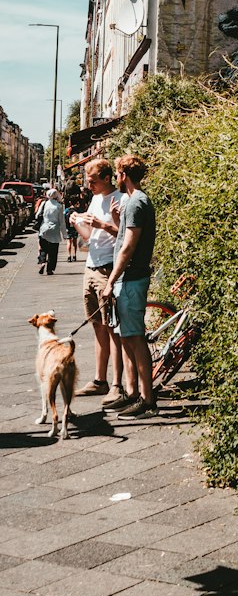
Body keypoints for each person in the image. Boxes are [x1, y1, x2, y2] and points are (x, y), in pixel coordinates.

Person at [100, 154, 158, 418]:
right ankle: (132, 393)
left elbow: (129, 246)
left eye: (117, 174)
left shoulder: (137, 202)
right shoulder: (132, 203)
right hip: (128, 278)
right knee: (126, 337)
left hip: (132, 279)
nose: (116, 179)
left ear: (123, 175)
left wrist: (111, 280)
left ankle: (147, 399)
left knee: (136, 338)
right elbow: (124, 236)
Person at [71, 159, 124, 402]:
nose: (88, 185)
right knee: (97, 326)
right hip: (90, 267)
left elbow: (124, 234)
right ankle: (99, 379)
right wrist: (77, 223)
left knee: (113, 328)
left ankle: (116, 385)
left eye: (92, 181)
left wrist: (104, 223)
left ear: (105, 178)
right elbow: (90, 237)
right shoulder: (94, 199)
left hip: (107, 269)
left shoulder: (118, 200)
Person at [35, 186, 64, 275]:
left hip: (44, 228)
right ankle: (50, 269)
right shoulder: (59, 206)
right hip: (54, 230)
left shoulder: (44, 204)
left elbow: (37, 215)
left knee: (43, 248)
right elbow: (61, 221)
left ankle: (42, 261)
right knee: (53, 250)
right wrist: (65, 234)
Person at [63, 180, 84, 261]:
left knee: (69, 242)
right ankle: (74, 255)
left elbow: (64, 217)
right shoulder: (77, 210)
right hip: (75, 227)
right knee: (74, 242)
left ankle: (69, 256)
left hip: (68, 227)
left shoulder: (67, 210)